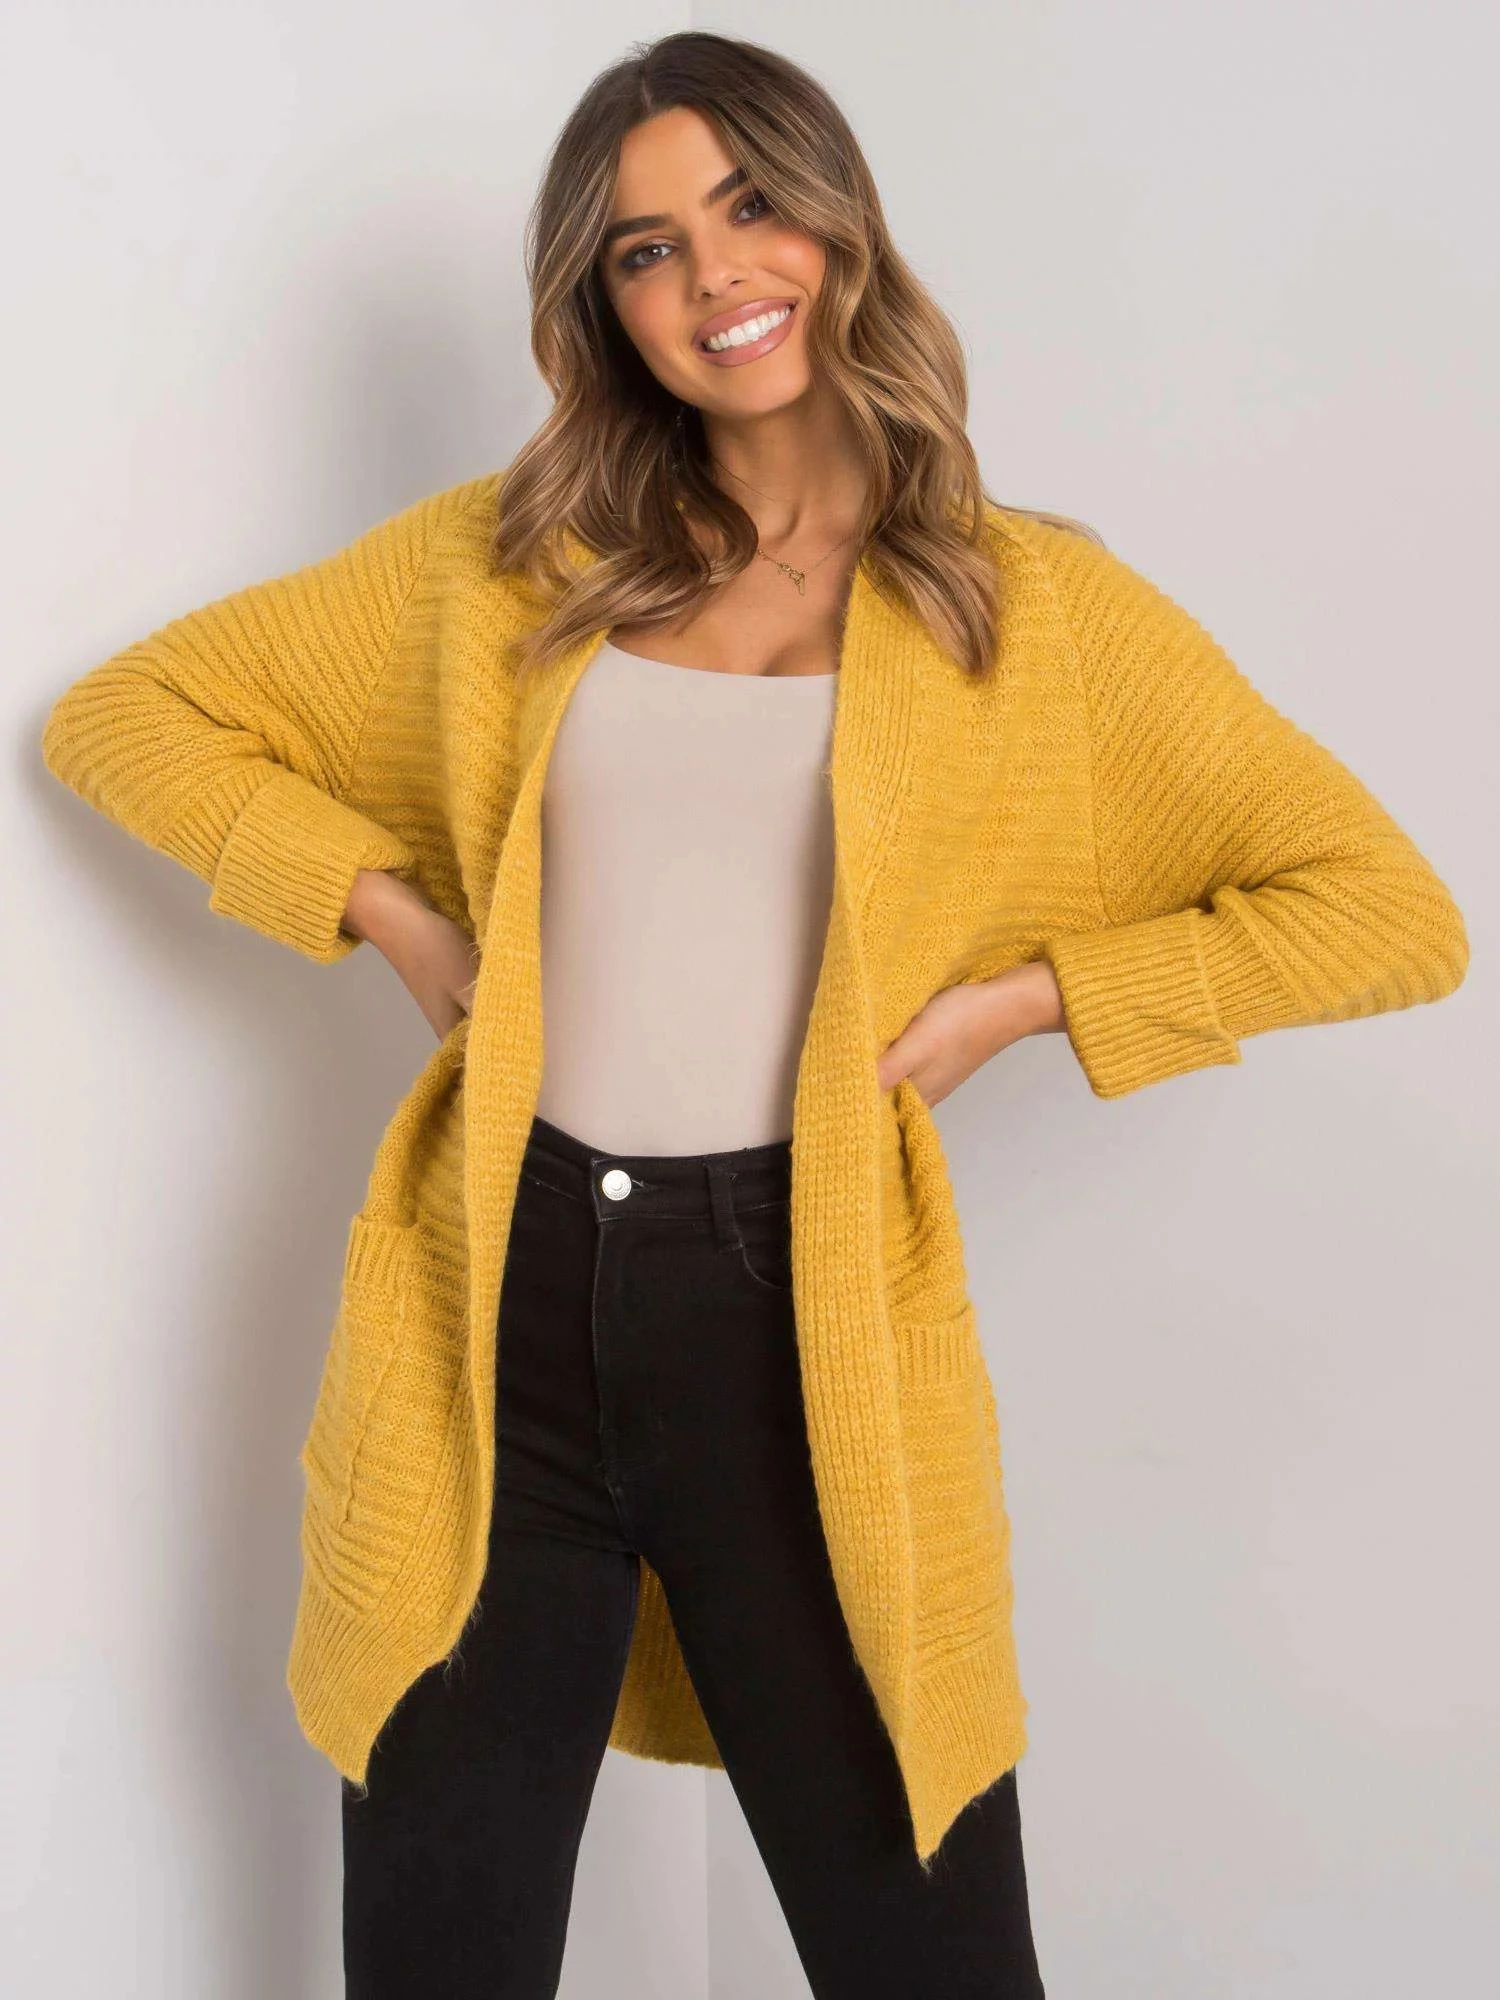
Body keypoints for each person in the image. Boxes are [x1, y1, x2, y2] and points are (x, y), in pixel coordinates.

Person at [38, 30, 1469, 2000]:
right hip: (498, 1305)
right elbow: (128, 717)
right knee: (438, 1955)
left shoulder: (1025, 610)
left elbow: (1389, 914)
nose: (713, 273)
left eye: (750, 205)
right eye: (645, 249)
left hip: (802, 1326)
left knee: (929, 1952)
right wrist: (391, 916)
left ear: (840, 223)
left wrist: (1030, 1003)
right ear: (603, 306)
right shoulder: (514, 564)